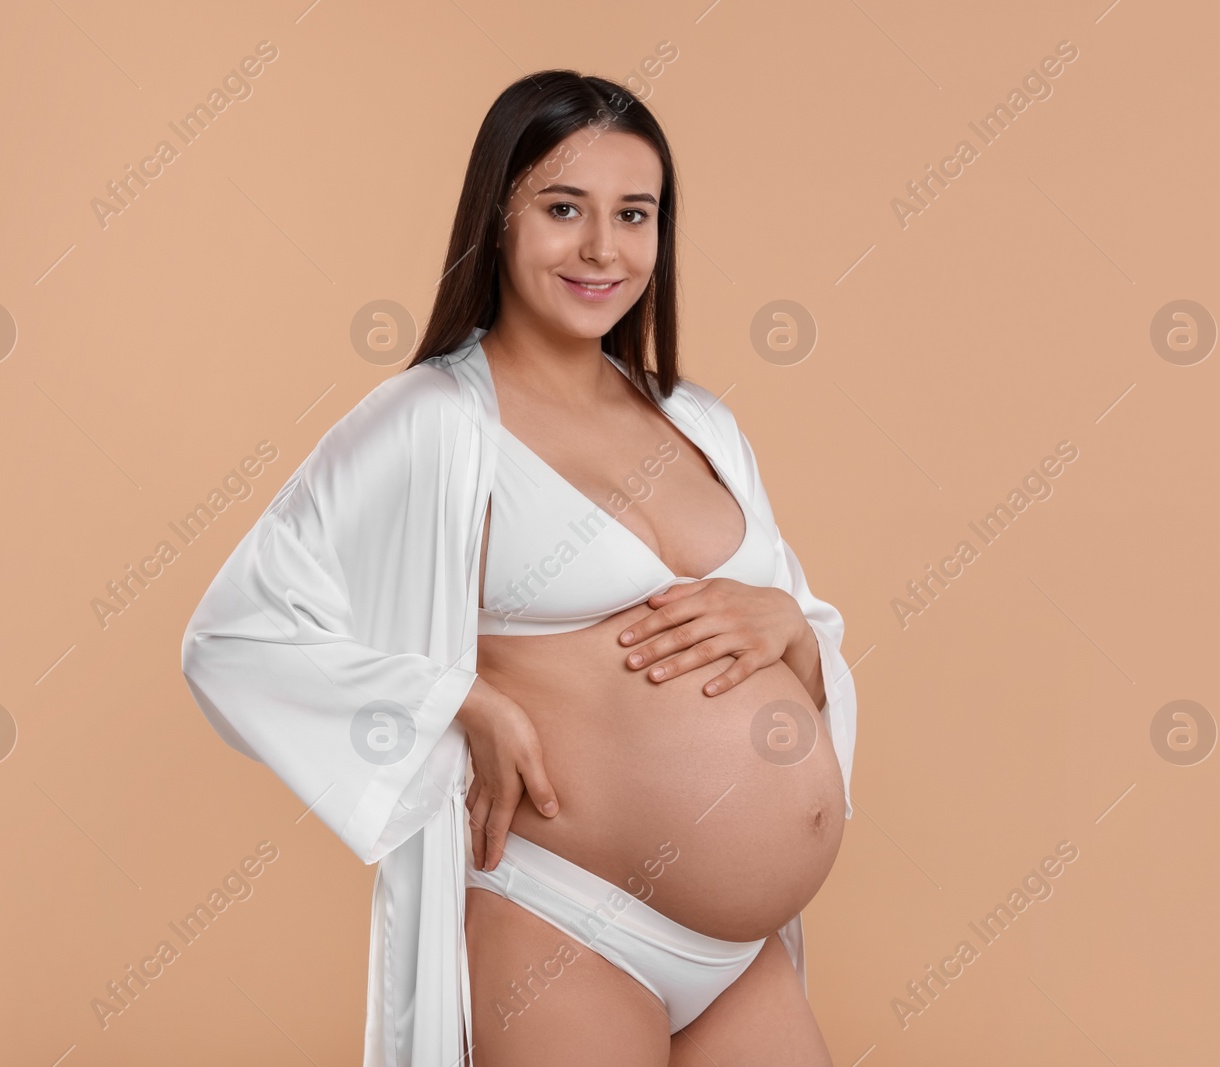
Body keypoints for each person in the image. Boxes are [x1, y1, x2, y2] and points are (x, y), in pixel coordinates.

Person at [181, 70, 857, 1067]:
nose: (601, 248)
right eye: (562, 209)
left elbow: (797, 624)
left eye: (633, 214)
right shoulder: (430, 425)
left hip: (739, 953)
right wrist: (454, 699)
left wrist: (793, 629)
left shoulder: (700, 419)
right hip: (566, 927)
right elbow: (232, 637)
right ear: (497, 218)